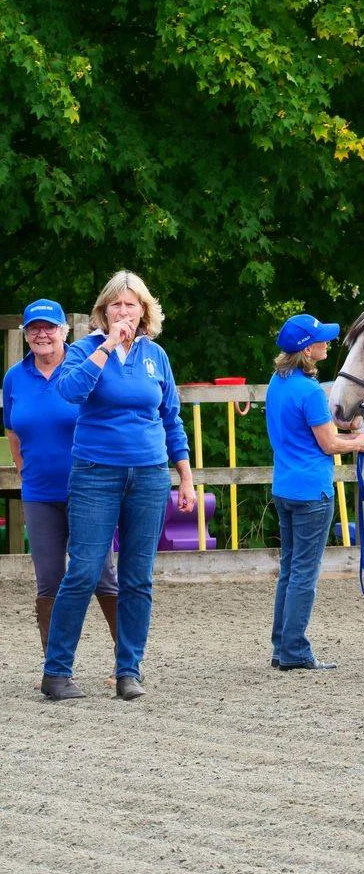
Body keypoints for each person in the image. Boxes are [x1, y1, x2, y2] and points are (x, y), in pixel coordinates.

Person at [39, 272, 195, 701]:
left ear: (144, 311)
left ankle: (128, 671)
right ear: (103, 313)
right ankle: (56, 672)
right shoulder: (86, 350)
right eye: (115, 305)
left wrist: (185, 475)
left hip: (148, 474)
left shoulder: (156, 356)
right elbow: (69, 392)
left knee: (138, 576)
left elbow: (171, 418)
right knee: (85, 570)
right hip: (95, 473)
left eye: (131, 305)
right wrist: (107, 347)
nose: (123, 312)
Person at [3, 299, 118, 670]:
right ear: (25, 334)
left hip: (89, 490)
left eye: (49, 326)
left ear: (64, 332)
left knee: (102, 574)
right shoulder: (14, 378)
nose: (42, 333)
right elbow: (12, 430)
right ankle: (55, 667)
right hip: (39, 494)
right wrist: (24, 470)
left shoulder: (84, 366)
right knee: (48, 579)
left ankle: (126, 661)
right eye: (34, 328)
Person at [266, 314, 364, 671]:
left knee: (289, 570)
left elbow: (313, 433)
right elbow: (328, 444)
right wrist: (358, 442)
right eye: (321, 341)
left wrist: (344, 430)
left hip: (285, 486)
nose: (327, 344)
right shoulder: (311, 391)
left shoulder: (278, 383)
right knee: (304, 574)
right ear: (307, 351)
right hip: (313, 491)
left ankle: (281, 646)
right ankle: (295, 650)